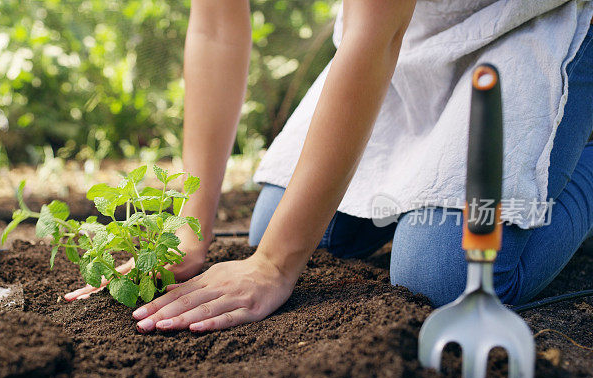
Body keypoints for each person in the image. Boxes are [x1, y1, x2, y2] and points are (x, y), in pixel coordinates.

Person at [64, 0, 593, 333]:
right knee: (279, 227)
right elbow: (216, 28)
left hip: (531, 22)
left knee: (442, 276)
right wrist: (189, 223)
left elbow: (374, 36)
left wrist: (273, 265)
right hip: (412, 38)